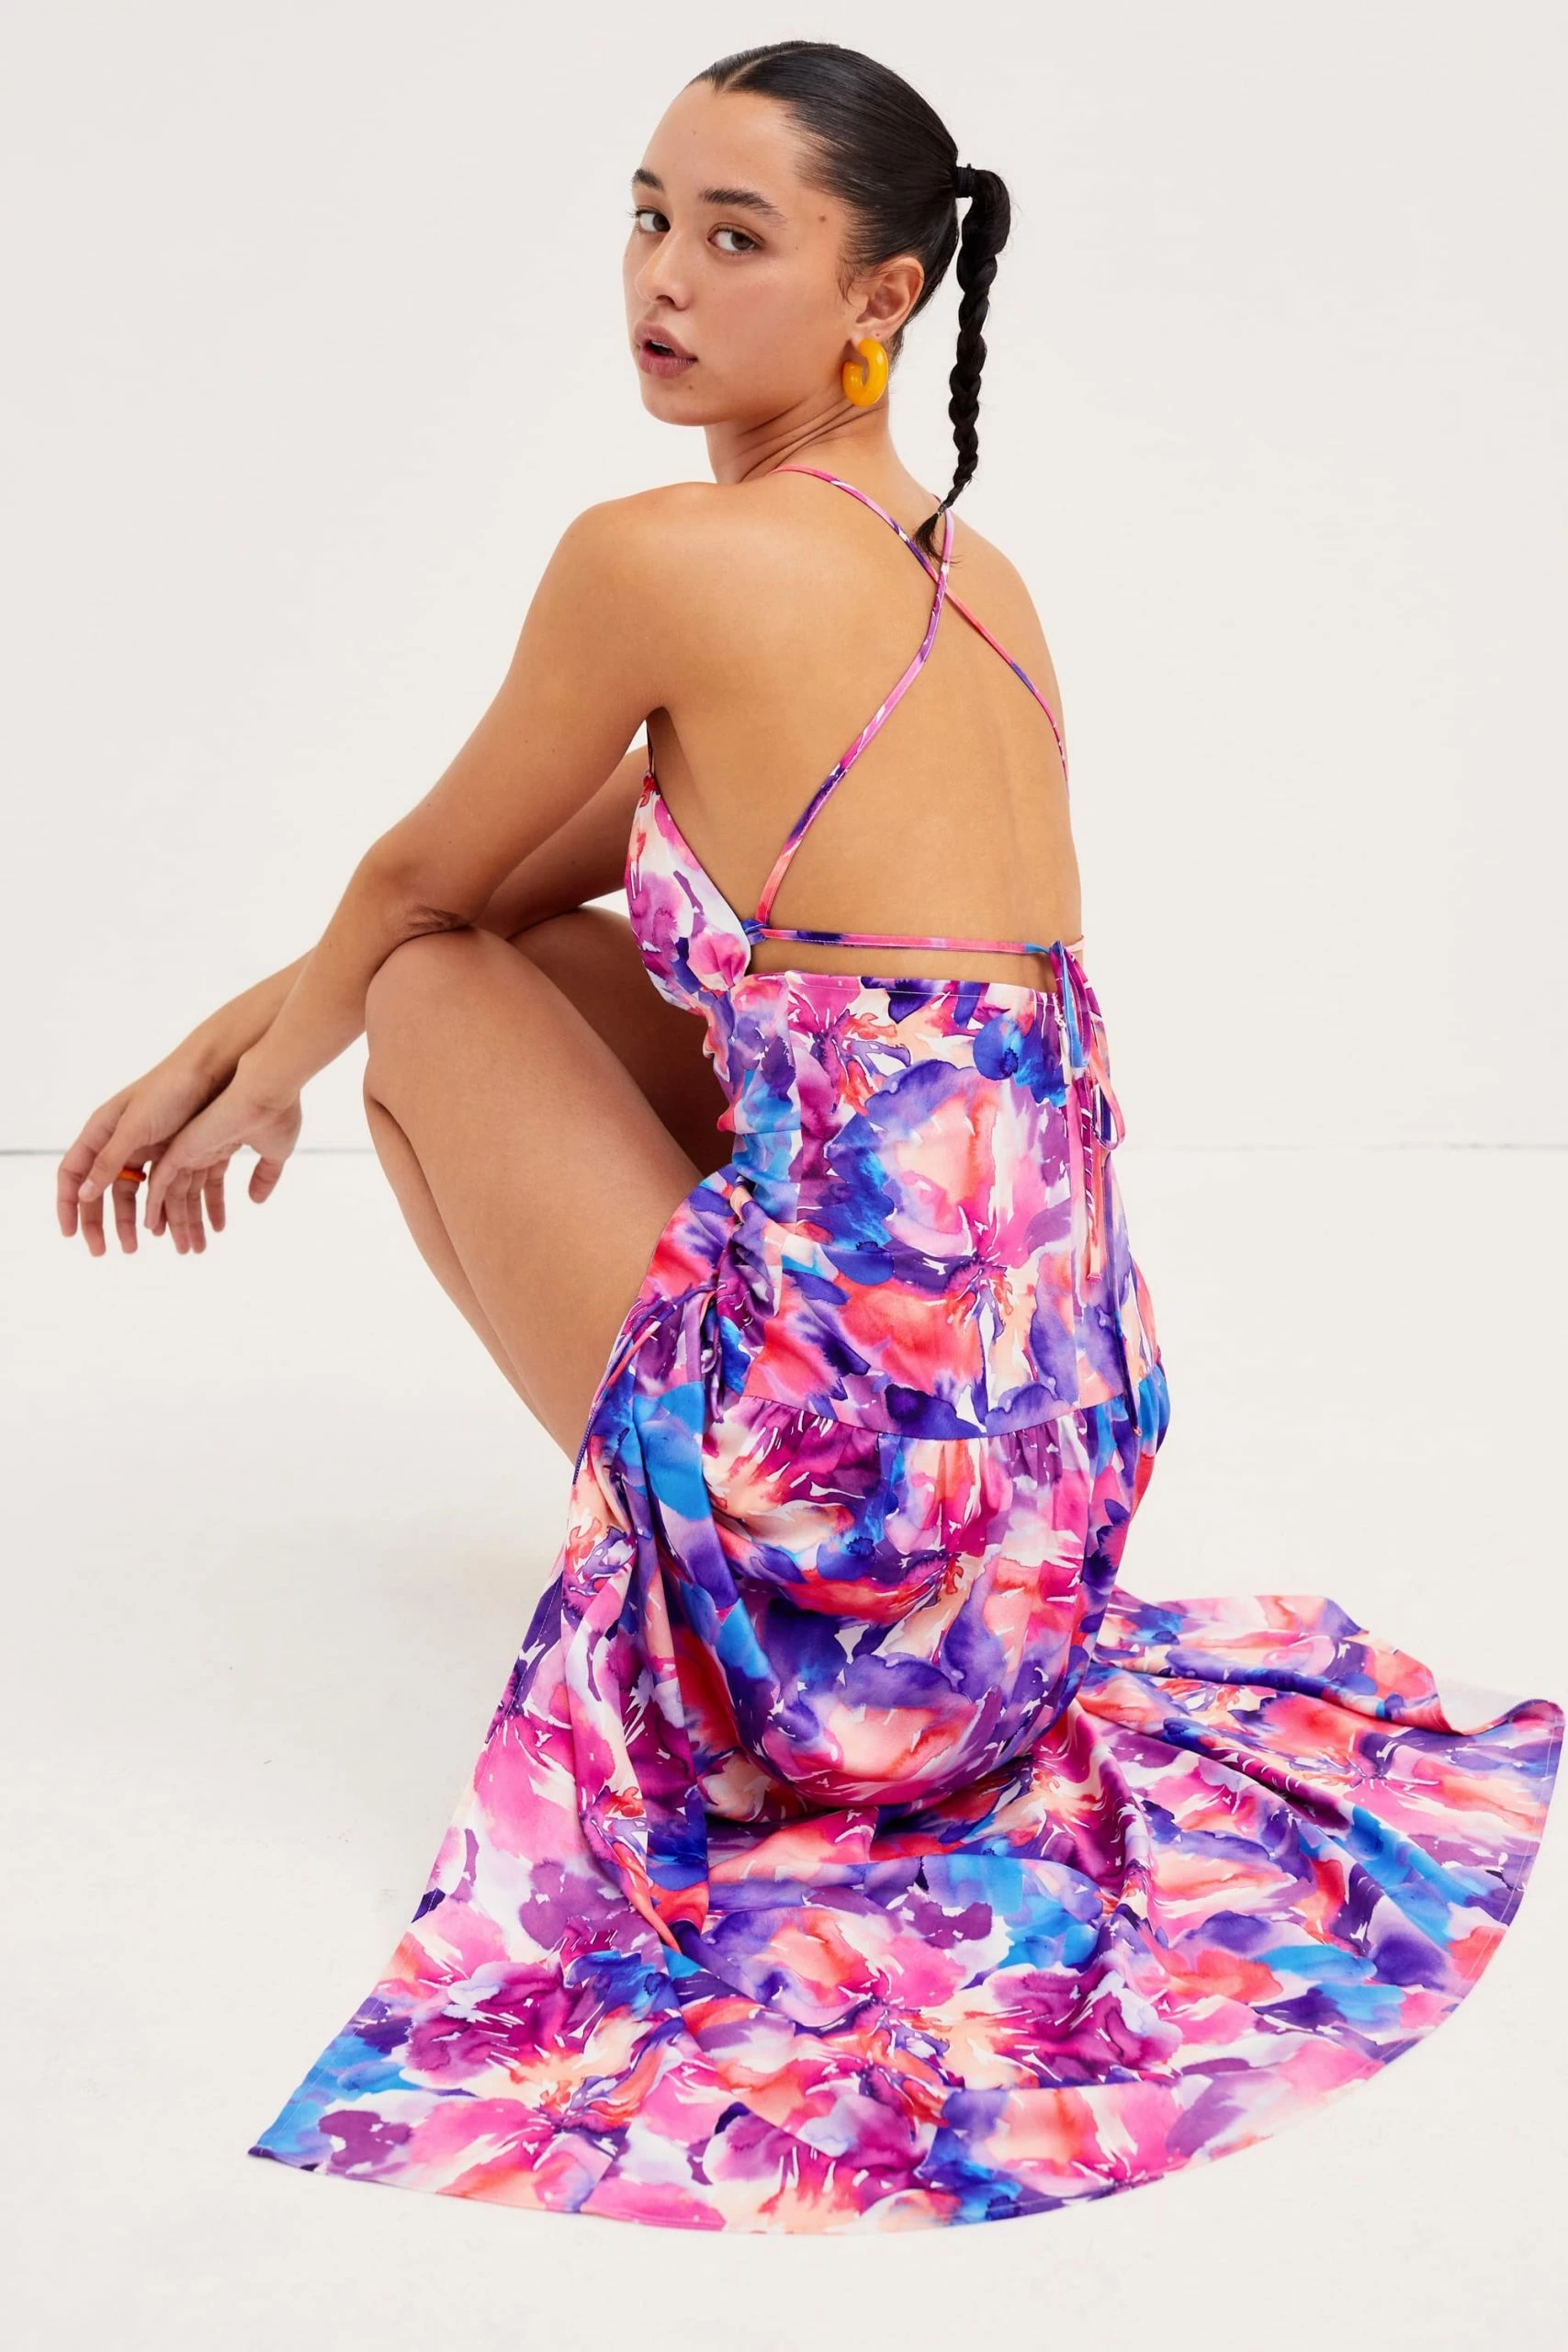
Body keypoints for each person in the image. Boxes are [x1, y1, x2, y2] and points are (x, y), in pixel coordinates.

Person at [58, 40, 1562, 2234]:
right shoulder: (970, 577)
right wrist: (212, 1046)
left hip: (859, 1611)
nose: (661, 278)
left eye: (734, 237)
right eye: (647, 215)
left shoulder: (658, 558)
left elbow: (410, 907)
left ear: (880, 296)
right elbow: (484, 873)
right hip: (1030, 1554)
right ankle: (733, 1551)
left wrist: (264, 1080)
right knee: (528, 959)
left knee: (438, 1006)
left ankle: (703, 1614)